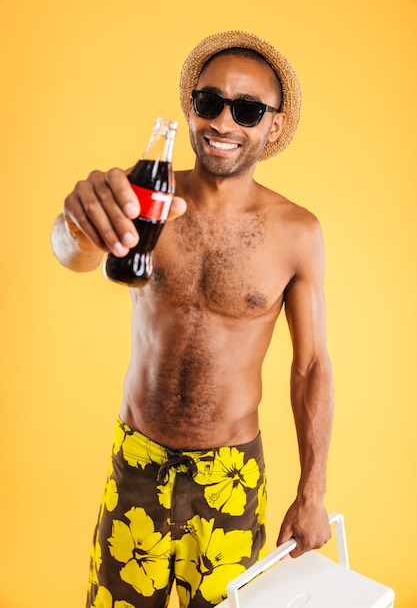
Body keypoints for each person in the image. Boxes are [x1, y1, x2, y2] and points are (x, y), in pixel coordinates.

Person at [51, 30, 334, 608]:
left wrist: (313, 490)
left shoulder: (297, 233)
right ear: (190, 108)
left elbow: (310, 366)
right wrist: (74, 226)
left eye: (248, 109)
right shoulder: (145, 200)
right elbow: (73, 252)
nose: (223, 123)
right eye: (209, 102)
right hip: (139, 459)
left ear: (273, 126)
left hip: (230, 475)